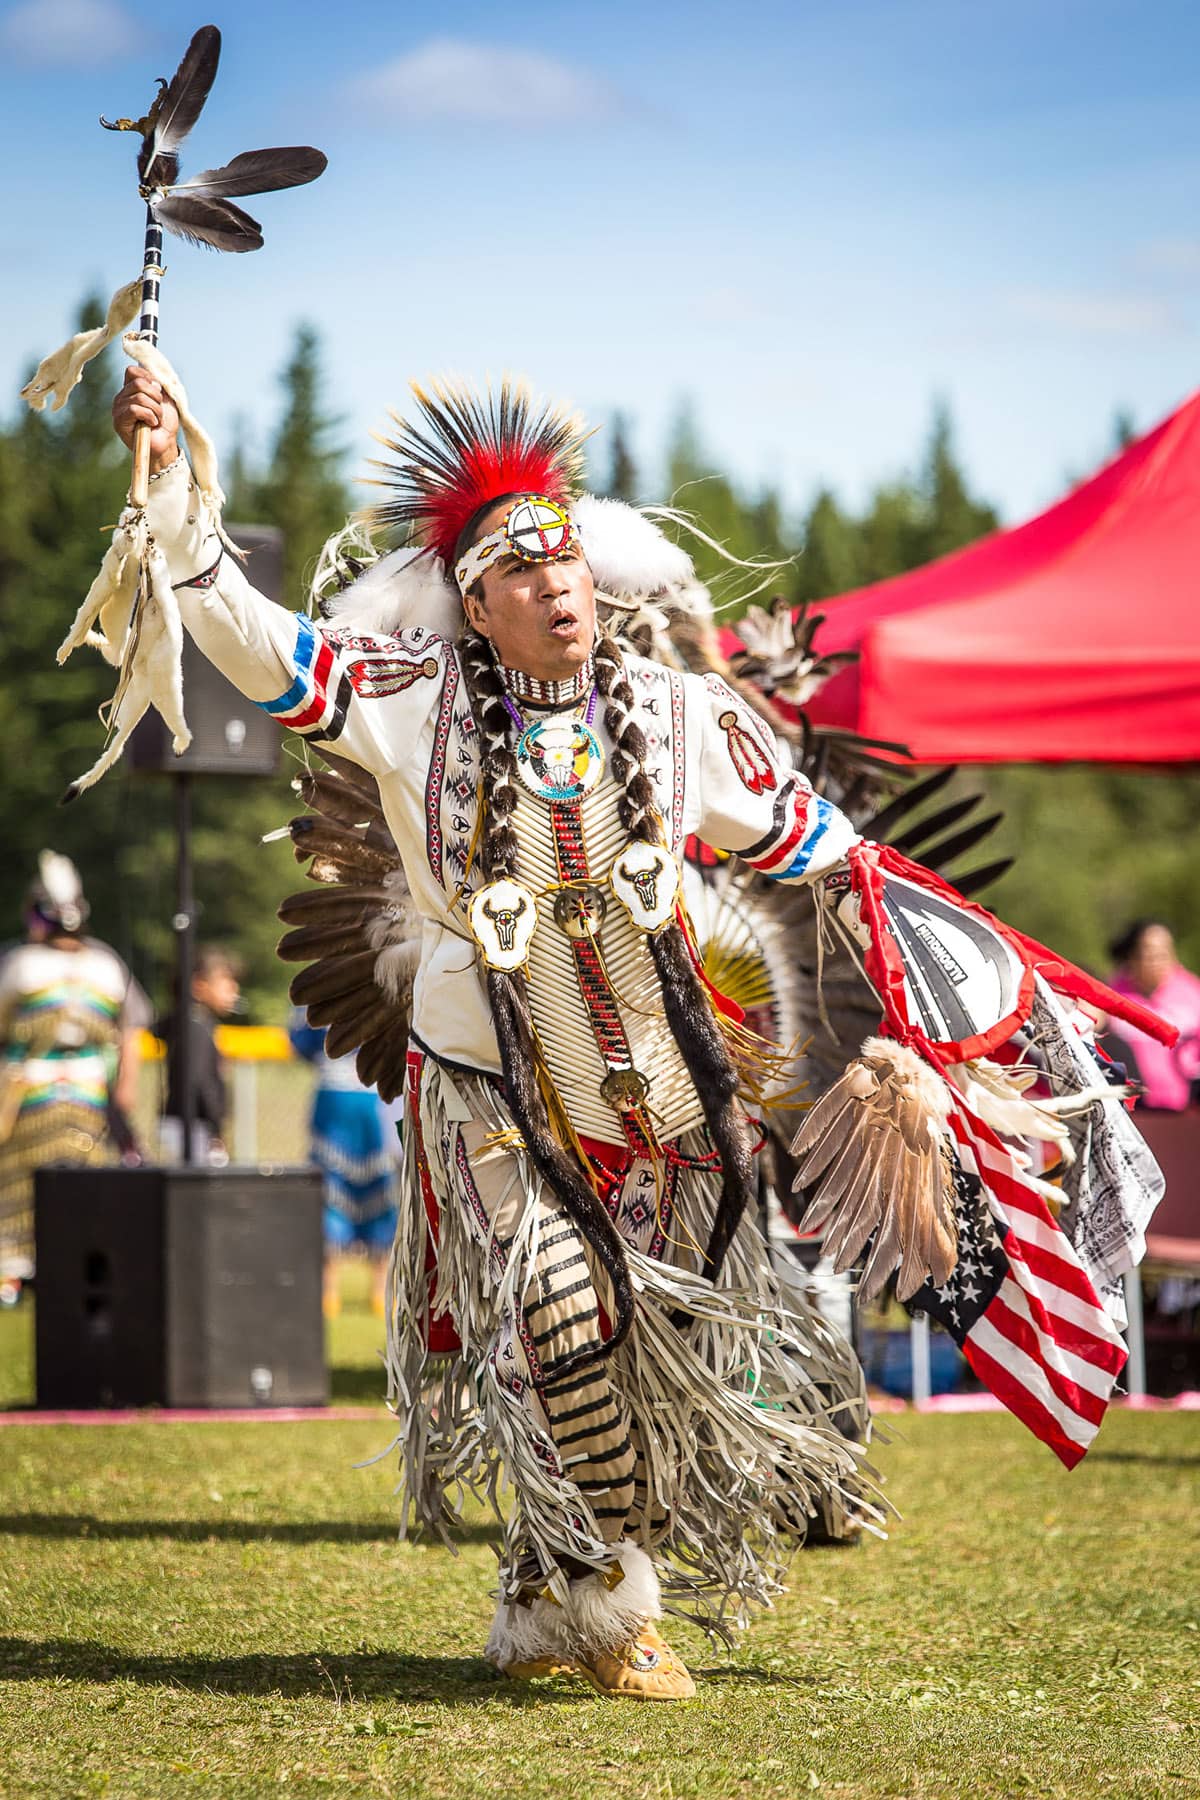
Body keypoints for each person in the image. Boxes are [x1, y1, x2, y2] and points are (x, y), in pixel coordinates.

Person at [108, 365, 1172, 1701]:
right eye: (522, 573)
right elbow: (251, 637)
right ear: (478, 605)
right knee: (556, 1312)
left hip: (661, 1103)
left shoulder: (677, 720)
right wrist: (169, 485)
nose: (560, 588)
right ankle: (616, 1607)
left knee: (635, 1360)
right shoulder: (413, 696)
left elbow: (824, 847)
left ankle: (552, 1586)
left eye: (571, 566)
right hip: (493, 1086)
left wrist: (929, 1012)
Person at [0, 852, 149, 1301]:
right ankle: (34, 1268)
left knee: (56, 1181)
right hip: (47, 1090)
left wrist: (125, 1086)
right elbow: (133, 1029)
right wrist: (126, 1085)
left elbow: (131, 1030)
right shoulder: (103, 963)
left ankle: (38, 1268)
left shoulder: (21, 963)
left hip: (61, 1089)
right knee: (35, 1181)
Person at [289, 1012, 399, 1319]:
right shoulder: (379, 983)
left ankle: (363, 1290)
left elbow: (299, 1043)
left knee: (378, 1194)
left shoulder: (328, 989)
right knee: (331, 1194)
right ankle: (340, 1290)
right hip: (355, 1097)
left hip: (365, 1097)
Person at [1106, 920, 1200, 1111]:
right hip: (1133, 1107)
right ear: (1132, 958)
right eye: (1149, 954)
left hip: (1187, 1107)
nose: (1157, 961)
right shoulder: (1113, 995)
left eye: (1164, 954)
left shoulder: (1192, 992)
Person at [158, 945, 240, 1164]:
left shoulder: (192, 1022)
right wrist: (215, 1127)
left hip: (186, 1124)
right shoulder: (196, 1025)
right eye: (225, 982)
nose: (234, 989)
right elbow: (198, 1081)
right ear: (199, 986)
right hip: (193, 1126)